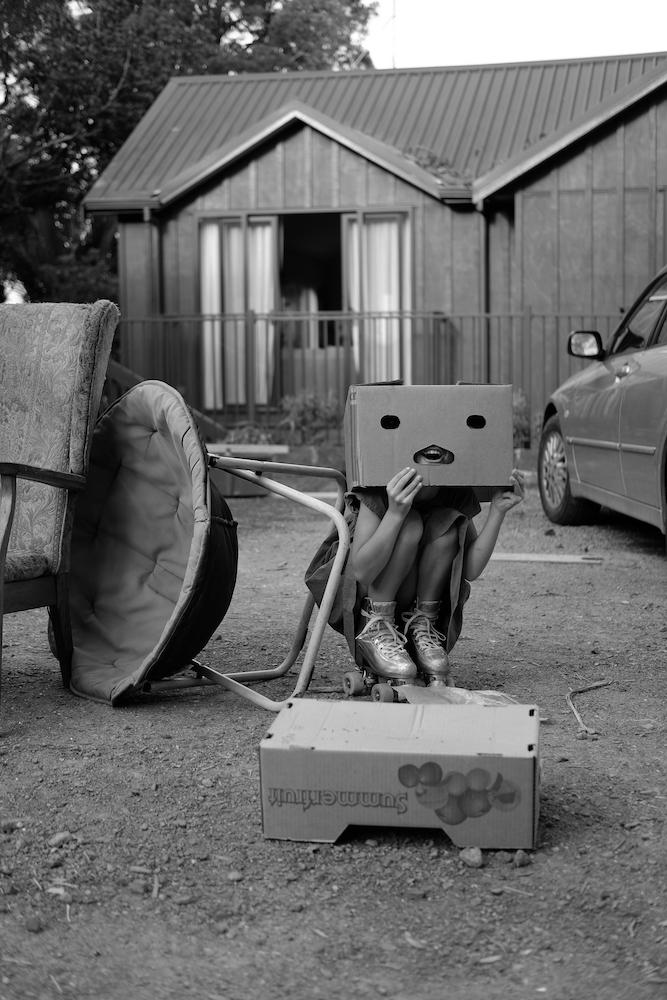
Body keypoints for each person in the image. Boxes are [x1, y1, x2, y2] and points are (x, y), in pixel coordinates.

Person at [325, 467, 525, 689]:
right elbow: (362, 572)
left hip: (420, 605)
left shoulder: (453, 486)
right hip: (366, 601)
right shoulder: (377, 484)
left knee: (447, 526)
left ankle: (424, 627)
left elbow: (470, 569)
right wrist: (395, 513)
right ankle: (377, 630)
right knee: (409, 524)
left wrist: (497, 511)